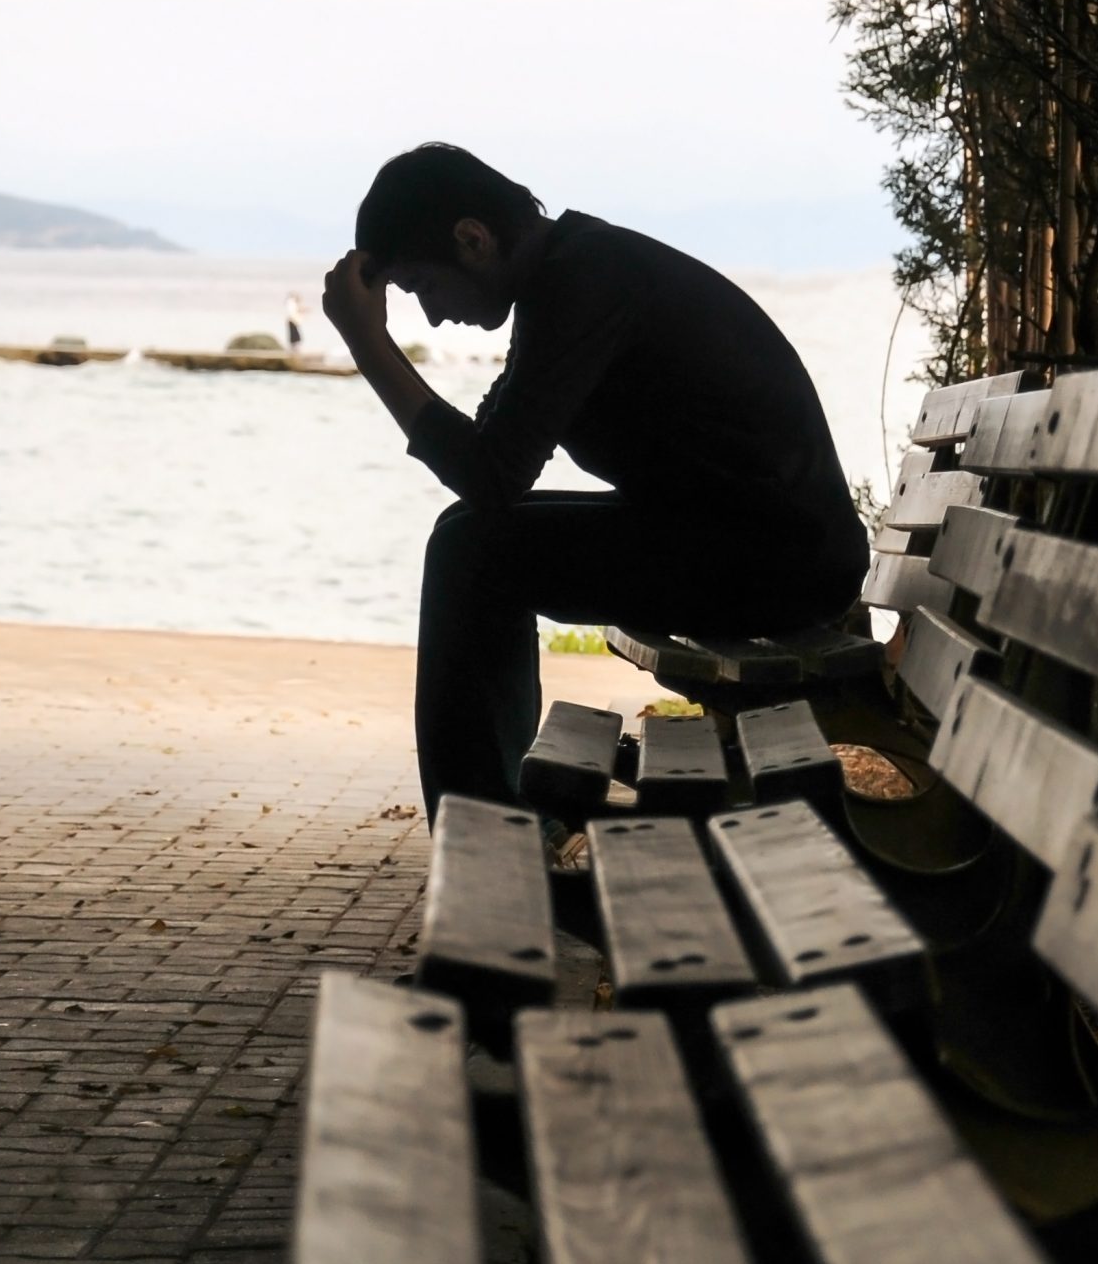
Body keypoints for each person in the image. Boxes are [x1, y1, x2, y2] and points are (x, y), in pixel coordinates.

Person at [323, 143, 867, 822]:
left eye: (423, 288)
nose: (431, 317)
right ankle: (495, 821)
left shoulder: (585, 280)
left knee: (472, 553)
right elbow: (489, 466)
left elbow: (492, 475)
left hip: (780, 559)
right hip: (749, 540)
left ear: (473, 238)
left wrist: (370, 347)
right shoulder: (571, 272)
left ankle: (487, 837)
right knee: (465, 536)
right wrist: (371, 341)